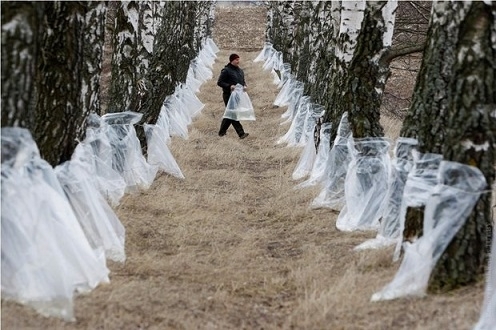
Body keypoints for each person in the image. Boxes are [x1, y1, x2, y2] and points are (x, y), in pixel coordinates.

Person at [217, 53, 249, 139]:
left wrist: (245, 86)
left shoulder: (240, 71)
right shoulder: (226, 70)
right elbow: (220, 82)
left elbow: (242, 81)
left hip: (238, 95)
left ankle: (221, 132)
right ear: (231, 60)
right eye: (236, 59)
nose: (238, 61)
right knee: (233, 113)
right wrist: (229, 86)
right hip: (228, 95)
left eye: (239, 59)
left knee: (229, 114)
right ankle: (241, 133)